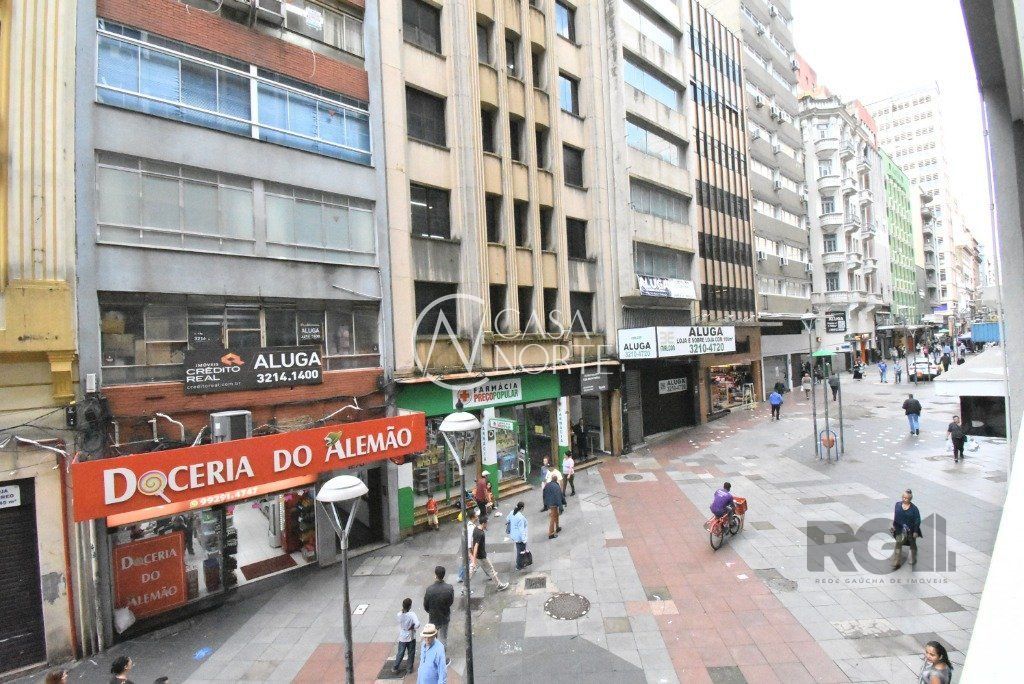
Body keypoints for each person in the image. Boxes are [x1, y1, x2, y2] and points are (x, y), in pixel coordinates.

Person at [466, 517, 509, 592]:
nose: (487, 525)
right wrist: (473, 560)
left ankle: (465, 587)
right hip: (482, 557)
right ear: (483, 523)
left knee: (472, 571)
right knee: (491, 570)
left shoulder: (475, 529)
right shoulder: (480, 533)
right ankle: (499, 585)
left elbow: (472, 541)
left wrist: (473, 556)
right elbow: (476, 546)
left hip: (477, 557)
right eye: (486, 523)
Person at [891, 488, 922, 569]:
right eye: (903, 497)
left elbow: (917, 520)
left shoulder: (914, 509)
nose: (905, 499)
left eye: (907, 498)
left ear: (910, 499)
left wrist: (915, 531)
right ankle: (896, 561)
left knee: (912, 544)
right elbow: (896, 516)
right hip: (900, 530)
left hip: (910, 531)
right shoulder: (897, 505)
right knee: (898, 544)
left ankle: (913, 557)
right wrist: (894, 526)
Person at [423, 566, 454, 644]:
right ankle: (442, 653)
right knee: (443, 637)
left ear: (435, 575)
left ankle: (433, 652)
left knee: (432, 636)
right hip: (444, 615)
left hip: (433, 616)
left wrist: (430, 610)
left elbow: (426, 605)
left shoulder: (429, 589)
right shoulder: (449, 588)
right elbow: (450, 602)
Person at [393, 597, 420, 674]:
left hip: (402, 636)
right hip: (410, 636)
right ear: (410, 606)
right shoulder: (412, 615)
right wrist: (413, 627)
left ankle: (395, 666)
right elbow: (417, 624)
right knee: (411, 652)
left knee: (400, 652)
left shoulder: (399, 614)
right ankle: (409, 669)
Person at [455, 508, 479, 583]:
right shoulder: (471, 527)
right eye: (476, 514)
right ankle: (462, 577)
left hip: (469, 547)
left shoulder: (470, 525)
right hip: (470, 548)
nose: (477, 515)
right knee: (471, 561)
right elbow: (470, 539)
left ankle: (461, 576)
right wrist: (470, 550)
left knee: (467, 562)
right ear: (473, 516)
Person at [507, 501, 529, 570]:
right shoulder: (520, 517)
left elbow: (507, 519)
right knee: (520, 551)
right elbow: (521, 530)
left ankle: (521, 563)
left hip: (513, 535)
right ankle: (519, 565)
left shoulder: (512, 512)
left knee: (519, 549)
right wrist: (524, 540)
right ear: (522, 508)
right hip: (519, 537)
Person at [543, 472, 565, 539]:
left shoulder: (547, 485)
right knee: (553, 517)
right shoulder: (556, 486)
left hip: (549, 503)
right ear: (556, 479)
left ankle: (557, 527)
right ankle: (551, 533)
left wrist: (545, 504)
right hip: (554, 504)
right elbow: (559, 496)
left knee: (556, 515)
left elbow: (544, 494)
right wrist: (561, 506)